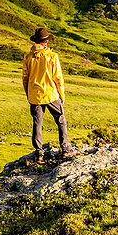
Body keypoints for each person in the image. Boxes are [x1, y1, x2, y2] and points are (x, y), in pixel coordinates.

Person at [22, 27, 74, 163]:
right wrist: (61, 94)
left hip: (35, 96)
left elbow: (25, 78)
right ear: (45, 42)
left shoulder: (28, 57)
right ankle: (65, 149)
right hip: (51, 94)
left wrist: (29, 94)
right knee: (61, 120)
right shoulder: (52, 56)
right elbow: (58, 78)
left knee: (37, 124)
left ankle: (39, 153)